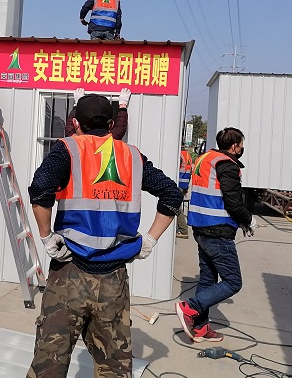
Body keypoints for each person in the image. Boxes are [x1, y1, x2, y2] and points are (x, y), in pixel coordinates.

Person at [26, 94, 182, 377]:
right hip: (114, 279)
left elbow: (40, 188)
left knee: (50, 361)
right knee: (114, 366)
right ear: (111, 124)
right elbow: (172, 193)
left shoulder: (67, 150)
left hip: (69, 272)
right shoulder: (132, 156)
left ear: (76, 123)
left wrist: (47, 237)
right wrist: (149, 239)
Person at [175, 127, 258, 343]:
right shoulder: (227, 165)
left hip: (201, 227)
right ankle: (189, 307)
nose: (242, 148)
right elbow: (233, 202)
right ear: (234, 146)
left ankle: (201, 328)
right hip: (218, 231)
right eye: (241, 144)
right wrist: (249, 219)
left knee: (207, 280)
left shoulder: (205, 159)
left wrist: (240, 221)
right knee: (233, 282)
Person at [64, 87, 130, 139]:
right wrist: (123, 106)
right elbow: (120, 130)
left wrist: (78, 105)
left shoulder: (74, 143)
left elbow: (69, 129)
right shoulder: (111, 142)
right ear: (111, 124)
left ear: (76, 123)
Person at [176, 147, 193, 239]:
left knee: (176, 207)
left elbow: (175, 168)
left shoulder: (179, 155)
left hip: (178, 182)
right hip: (184, 184)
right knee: (177, 206)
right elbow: (190, 171)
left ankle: (183, 230)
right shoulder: (187, 155)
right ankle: (180, 229)